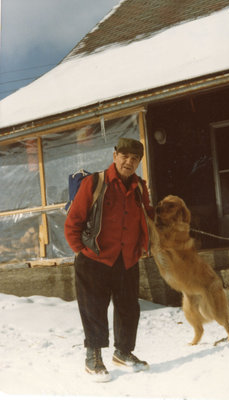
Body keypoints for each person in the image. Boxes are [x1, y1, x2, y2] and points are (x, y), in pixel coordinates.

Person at [64, 138, 154, 382]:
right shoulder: (95, 183)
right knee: (94, 308)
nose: (129, 161)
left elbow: (147, 215)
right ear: (115, 155)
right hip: (95, 258)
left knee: (128, 308)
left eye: (134, 159)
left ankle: (123, 352)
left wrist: (144, 245)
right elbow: (73, 220)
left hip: (127, 259)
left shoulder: (139, 187)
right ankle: (93, 357)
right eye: (124, 156)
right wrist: (82, 250)